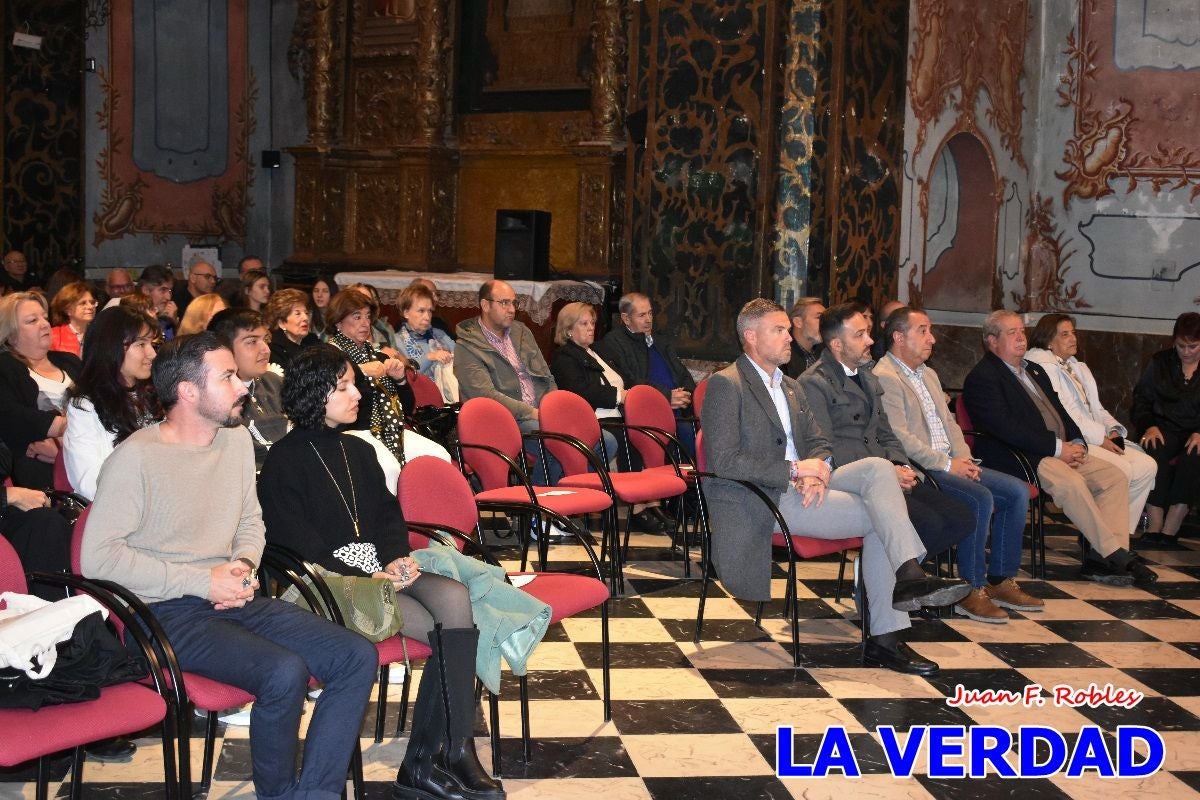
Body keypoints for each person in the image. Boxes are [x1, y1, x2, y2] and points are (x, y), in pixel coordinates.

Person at [80, 332, 377, 800]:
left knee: (355, 656)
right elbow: (97, 557)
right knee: (284, 672)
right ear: (188, 392)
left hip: (233, 595)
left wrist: (242, 564)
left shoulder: (235, 441)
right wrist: (204, 581)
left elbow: (250, 520)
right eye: (228, 376)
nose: (243, 386)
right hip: (165, 612)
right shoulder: (136, 457)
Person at [258, 345, 505, 800]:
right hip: (327, 582)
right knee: (443, 625)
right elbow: (290, 539)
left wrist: (392, 556)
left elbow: (388, 517)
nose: (358, 393)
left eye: (354, 383)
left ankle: (453, 749)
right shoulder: (283, 459)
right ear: (316, 393)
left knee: (454, 600)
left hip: (376, 569)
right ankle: (434, 759)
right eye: (344, 386)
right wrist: (362, 574)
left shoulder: (359, 448)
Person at [701, 299, 970, 675]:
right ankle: (887, 636)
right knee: (882, 517)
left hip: (807, 486)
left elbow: (819, 443)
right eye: (778, 330)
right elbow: (725, 462)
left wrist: (818, 471)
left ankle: (909, 580)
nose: (789, 338)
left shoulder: (791, 386)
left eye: (787, 329)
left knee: (879, 468)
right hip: (765, 498)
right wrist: (796, 470)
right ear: (750, 336)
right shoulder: (727, 385)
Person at [962, 310, 1156, 586]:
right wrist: (1056, 448)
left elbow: (1063, 413)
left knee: (1114, 476)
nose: (1021, 338)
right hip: (1022, 456)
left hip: (1059, 449)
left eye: (1022, 331)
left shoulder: (1034, 370)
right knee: (1072, 483)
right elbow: (1005, 429)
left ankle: (1100, 562)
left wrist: (1076, 441)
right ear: (992, 341)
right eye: (1012, 333)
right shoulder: (983, 377)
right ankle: (1116, 554)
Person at [874, 307, 1040, 623]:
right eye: (922, 330)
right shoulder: (886, 377)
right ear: (898, 337)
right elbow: (900, 438)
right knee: (981, 497)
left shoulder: (930, 374)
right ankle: (971, 588)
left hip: (951, 462)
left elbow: (950, 425)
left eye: (930, 330)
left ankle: (999, 579)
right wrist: (948, 465)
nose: (931, 338)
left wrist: (964, 458)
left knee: (1017, 492)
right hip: (925, 468)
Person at [800, 303, 973, 567]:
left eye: (867, 332)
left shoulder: (868, 377)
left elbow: (886, 432)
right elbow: (824, 446)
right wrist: (885, 470)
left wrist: (900, 465)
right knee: (930, 522)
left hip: (886, 471)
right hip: (852, 475)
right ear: (836, 344)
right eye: (859, 335)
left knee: (962, 517)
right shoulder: (814, 383)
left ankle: (894, 580)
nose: (870, 340)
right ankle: (894, 584)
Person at [1026, 313, 1157, 541]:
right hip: (1073, 439)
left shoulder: (1076, 366)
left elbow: (1096, 408)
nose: (1072, 338)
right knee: (1122, 471)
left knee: (1146, 466)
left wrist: (1114, 429)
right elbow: (1068, 415)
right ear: (1048, 340)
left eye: (1073, 333)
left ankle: (1117, 538)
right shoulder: (1043, 366)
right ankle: (1101, 539)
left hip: (1096, 435)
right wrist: (1101, 440)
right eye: (1064, 334)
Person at [455, 280, 556, 481]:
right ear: (485, 305)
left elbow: (547, 377)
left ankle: (557, 497)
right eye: (504, 303)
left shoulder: (522, 332)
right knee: (558, 443)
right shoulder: (467, 346)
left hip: (539, 415)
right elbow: (485, 396)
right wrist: (532, 412)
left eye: (514, 303)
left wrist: (554, 408)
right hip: (506, 420)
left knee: (605, 441)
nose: (511, 310)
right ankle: (539, 507)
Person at [64, 306, 163, 500]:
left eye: (152, 344)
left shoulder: (156, 394)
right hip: (122, 508)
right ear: (112, 347)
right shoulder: (85, 407)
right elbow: (88, 481)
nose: (152, 354)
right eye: (141, 344)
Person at [593, 291, 696, 457]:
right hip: (647, 411)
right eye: (641, 315)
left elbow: (682, 373)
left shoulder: (661, 340)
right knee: (687, 433)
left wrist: (688, 394)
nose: (648, 320)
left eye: (650, 313)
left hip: (679, 408)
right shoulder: (613, 343)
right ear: (626, 319)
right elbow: (629, 380)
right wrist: (665, 397)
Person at [1132, 311, 1200, 544]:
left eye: (1193, 346)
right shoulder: (1160, 362)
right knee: (1154, 448)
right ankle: (1155, 521)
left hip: (1196, 432)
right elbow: (1141, 399)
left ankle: (1173, 523)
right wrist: (1149, 426)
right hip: (1163, 428)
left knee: (1194, 455)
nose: (1187, 352)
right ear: (1174, 342)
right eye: (1181, 346)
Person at [0, 292, 78, 488]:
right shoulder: (5, 366)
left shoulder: (70, 360)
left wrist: (63, 447)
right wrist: (70, 427)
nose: (44, 324)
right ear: (10, 333)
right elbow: (13, 417)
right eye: (32, 320)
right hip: (38, 476)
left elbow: (104, 407)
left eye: (44, 316)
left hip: (85, 458)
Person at [326, 289, 415, 461]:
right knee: (389, 467)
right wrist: (361, 371)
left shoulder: (378, 357)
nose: (365, 323)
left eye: (368, 316)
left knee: (439, 455)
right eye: (357, 317)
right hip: (350, 433)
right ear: (338, 321)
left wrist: (400, 380)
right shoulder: (329, 357)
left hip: (390, 431)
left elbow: (409, 409)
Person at [208, 309, 288, 470]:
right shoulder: (214, 400)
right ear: (224, 349)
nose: (265, 349)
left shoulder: (275, 383)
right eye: (252, 342)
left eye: (265, 339)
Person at [396, 284, 455, 382]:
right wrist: (430, 357)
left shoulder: (439, 334)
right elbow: (407, 376)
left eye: (430, 311)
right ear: (406, 313)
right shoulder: (397, 341)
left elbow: (461, 355)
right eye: (421, 311)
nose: (427, 317)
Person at [265, 288, 319, 370]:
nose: (305, 318)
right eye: (297, 313)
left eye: (306, 313)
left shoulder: (313, 341)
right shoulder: (273, 350)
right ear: (281, 323)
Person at [49, 281, 98, 357]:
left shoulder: (100, 334)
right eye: (83, 303)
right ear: (67, 309)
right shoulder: (53, 336)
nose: (90, 307)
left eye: (92, 302)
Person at [783, 297, 826, 379]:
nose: (825, 322)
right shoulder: (783, 356)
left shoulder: (826, 351)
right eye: (819, 317)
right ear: (798, 322)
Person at [137, 264, 179, 340]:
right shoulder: (134, 319)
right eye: (163, 290)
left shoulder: (165, 319)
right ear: (145, 290)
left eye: (170, 291)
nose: (168, 297)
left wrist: (174, 323)